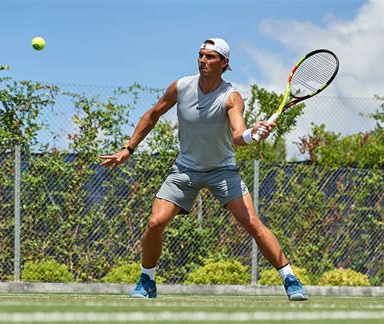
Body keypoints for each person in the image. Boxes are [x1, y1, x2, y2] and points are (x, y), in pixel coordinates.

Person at [99, 38, 308, 301]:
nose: (203, 61)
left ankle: (289, 278)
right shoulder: (181, 86)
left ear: (224, 63)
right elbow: (153, 114)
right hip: (185, 169)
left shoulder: (231, 97)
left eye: (210, 57)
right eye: (200, 55)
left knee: (252, 223)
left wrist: (253, 134)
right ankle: (147, 280)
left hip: (222, 170)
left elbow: (237, 135)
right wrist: (128, 149)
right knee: (155, 223)